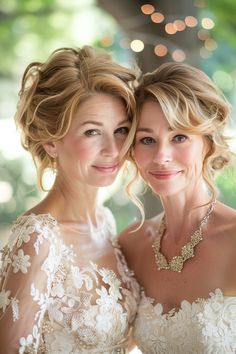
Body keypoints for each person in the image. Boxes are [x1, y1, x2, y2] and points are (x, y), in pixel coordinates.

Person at [0, 46, 140, 353]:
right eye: (92, 132)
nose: (113, 149)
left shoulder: (104, 221)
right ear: (51, 141)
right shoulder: (38, 238)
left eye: (121, 130)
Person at [120, 62, 236, 353]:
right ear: (133, 151)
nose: (161, 156)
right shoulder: (129, 245)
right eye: (147, 140)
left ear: (207, 144)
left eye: (179, 137)